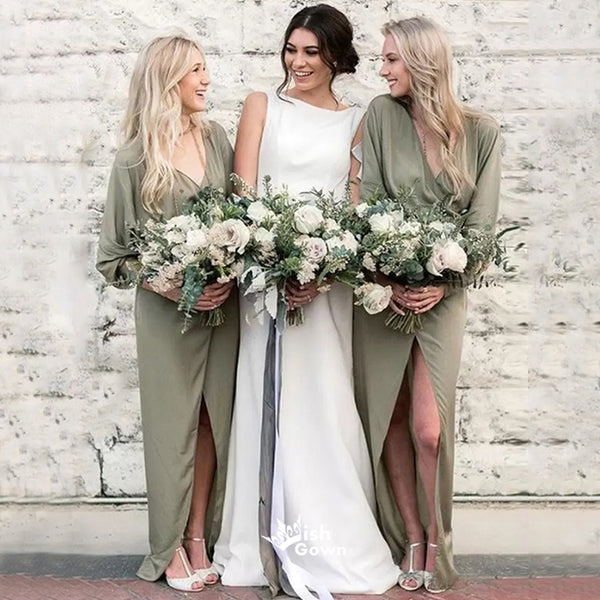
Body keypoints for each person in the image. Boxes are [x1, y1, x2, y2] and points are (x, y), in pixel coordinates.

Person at [213, 4, 399, 596]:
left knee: (321, 397)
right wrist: (269, 260)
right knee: (264, 397)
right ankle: (257, 542)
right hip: (262, 283)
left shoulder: (356, 123)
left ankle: (330, 540)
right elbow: (241, 196)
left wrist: (320, 272)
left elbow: (354, 209)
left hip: (323, 288)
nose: (298, 62)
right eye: (291, 50)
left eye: (312, 52)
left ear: (337, 57)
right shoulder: (260, 106)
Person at [354, 17, 502, 593]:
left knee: (429, 428)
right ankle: (411, 536)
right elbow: (368, 205)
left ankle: (438, 542)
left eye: (391, 59)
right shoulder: (380, 116)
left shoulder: (482, 133)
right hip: (386, 293)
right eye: (383, 59)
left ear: (421, 62)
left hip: (444, 297)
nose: (381, 69)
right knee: (391, 415)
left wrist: (445, 281)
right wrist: (387, 278)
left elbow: (482, 228)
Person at [96, 34, 239, 593]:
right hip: (167, 316)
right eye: (195, 70)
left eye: (206, 69)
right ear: (167, 79)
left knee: (211, 422)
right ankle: (168, 547)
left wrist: (230, 267)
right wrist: (172, 286)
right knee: (170, 428)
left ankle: (199, 536)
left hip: (221, 310)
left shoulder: (217, 138)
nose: (206, 80)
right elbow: (113, 258)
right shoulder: (133, 158)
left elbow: (241, 217)